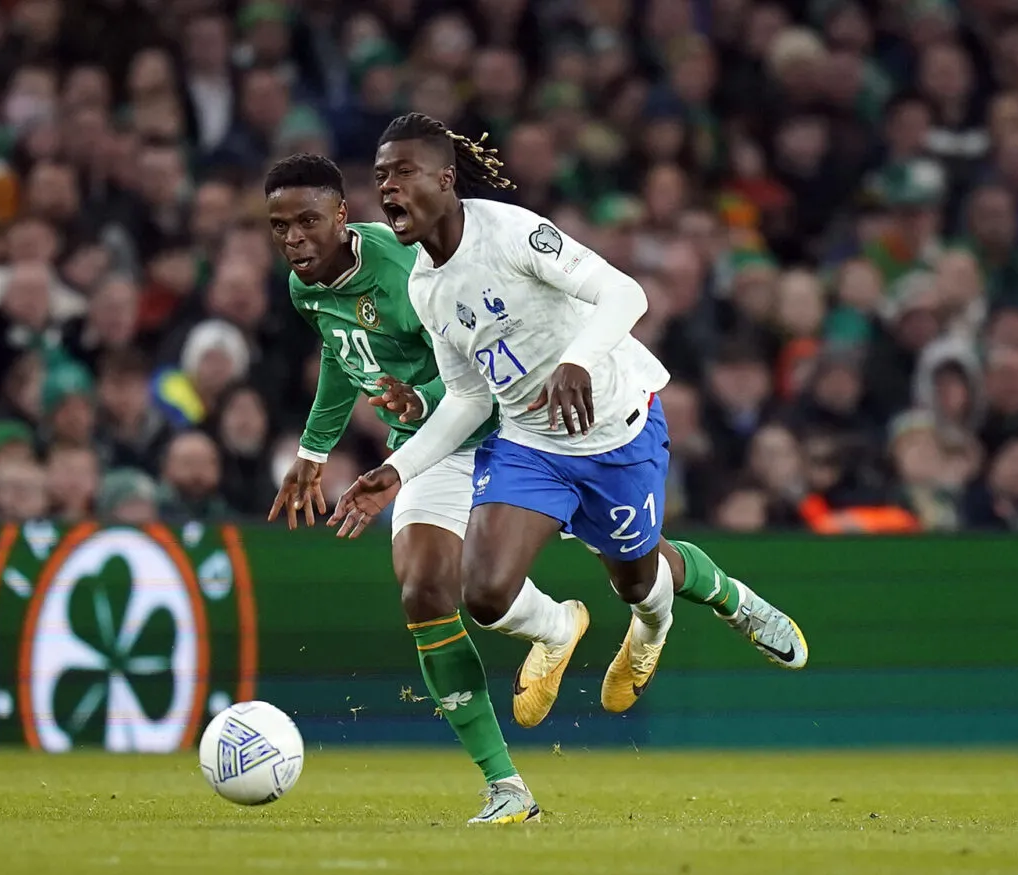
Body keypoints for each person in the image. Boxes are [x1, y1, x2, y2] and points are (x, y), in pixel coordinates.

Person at [329, 112, 808, 739]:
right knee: (484, 591)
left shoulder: (513, 233)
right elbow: (470, 398)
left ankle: (704, 608)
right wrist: (397, 470)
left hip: (617, 431)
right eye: (380, 177)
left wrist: (577, 362)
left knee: (640, 584)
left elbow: (626, 296)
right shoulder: (425, 287)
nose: (387, 188)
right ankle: (559, 631)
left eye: (403, 173)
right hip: (531, 445)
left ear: (445, 180)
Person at [264, 154, 536, 825]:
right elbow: (339, 348)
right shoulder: (305, 285)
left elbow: (483, 366)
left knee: (626, 563)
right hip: (427, 450)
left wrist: (421, 398)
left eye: (306, 221)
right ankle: (506, 786)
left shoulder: (407, 272)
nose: (293, 238)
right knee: (422, 591)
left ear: (341, 215)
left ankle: (569, 622)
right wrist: (313, 449)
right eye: (279, 226)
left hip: (507, 432)